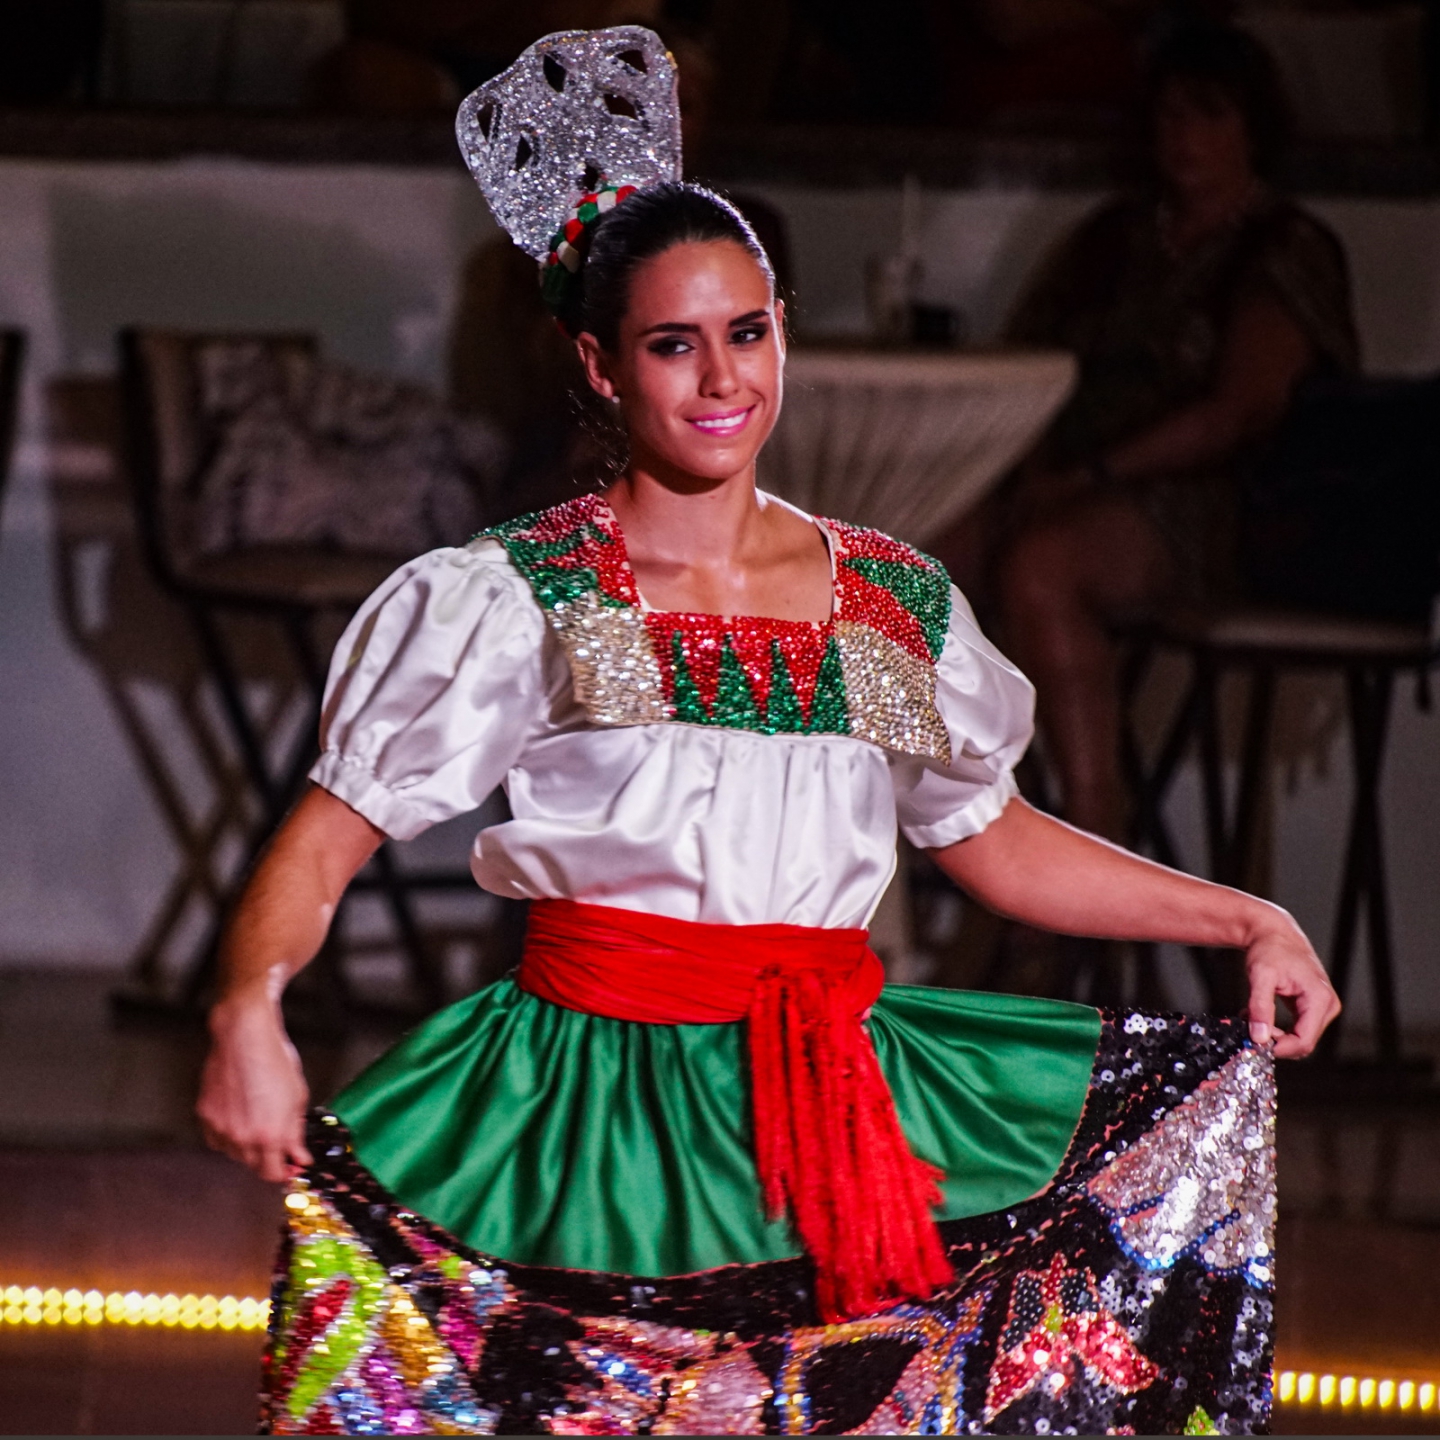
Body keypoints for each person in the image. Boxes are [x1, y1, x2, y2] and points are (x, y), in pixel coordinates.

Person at [198, 28, 1337, 1436]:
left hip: (833, 1109)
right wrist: (248, 1007)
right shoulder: (526, 596)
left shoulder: (882, 604)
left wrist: (1244, 919)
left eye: (746, 332)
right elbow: (325, 843)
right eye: (672, 344)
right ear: (601, 366)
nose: (720, 378)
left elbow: (990, 838)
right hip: (593, 1110)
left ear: (784, 331)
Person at [989, 22, 1359, 844]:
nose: (1184, 136)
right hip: (1065, 472)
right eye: (1169, 116)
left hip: (1213, 501)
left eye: (1209, 114)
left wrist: (1094, 473)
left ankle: (1093, 825)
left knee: (1043, 565)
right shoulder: (1114, 240)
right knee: (916, 550)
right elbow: (1033, 358)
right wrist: (1033, 466)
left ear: (1252, 128)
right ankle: (951, 823)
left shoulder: (1280, 248)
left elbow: (1242, 409)